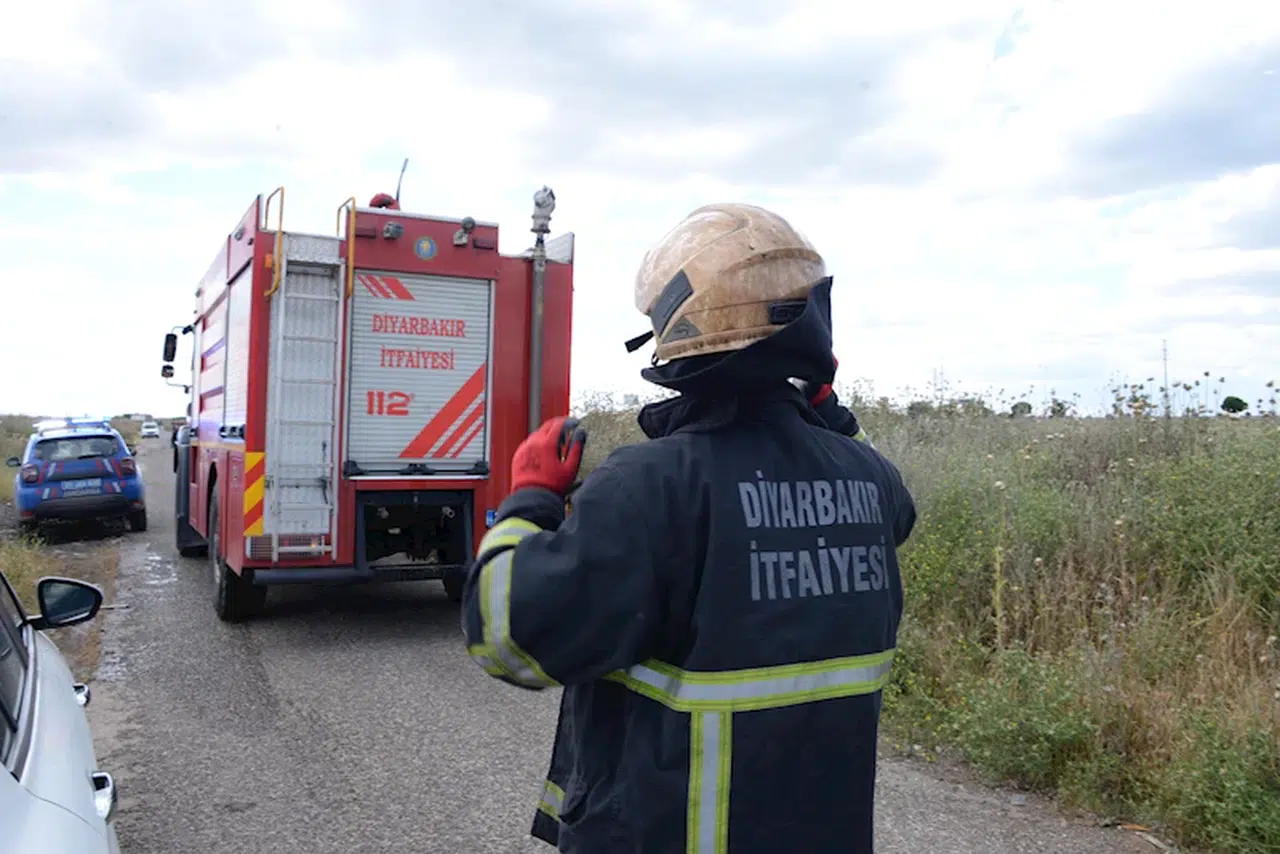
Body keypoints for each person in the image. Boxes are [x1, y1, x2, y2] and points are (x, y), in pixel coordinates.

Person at [460, 202, 917, 853]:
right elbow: (890, 496)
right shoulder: (869, 484)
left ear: (679, 329)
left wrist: (529, 498)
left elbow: (506, 636)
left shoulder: (652, 486)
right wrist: (831, 415)